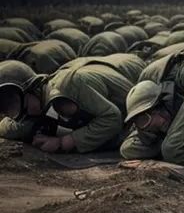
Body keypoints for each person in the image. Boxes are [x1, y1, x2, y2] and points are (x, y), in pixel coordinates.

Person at [0, 56, 138, 153]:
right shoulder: (34, 103)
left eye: (14, 104)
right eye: (7, 110)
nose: (15, 113)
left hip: (129, 71)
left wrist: (63, 142)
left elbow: (112, 118)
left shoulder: (67, 92)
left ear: (34, 88)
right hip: (96, 67)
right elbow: (10, 127)